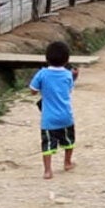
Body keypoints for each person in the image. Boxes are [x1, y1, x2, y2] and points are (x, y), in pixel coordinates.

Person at [29, 41, 79, 179]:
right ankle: (67, 162)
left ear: (47, 58)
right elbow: (68, 90)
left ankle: (47, 171)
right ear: (67, 59)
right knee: (69, 141)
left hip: (48, 118)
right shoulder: (68, 75)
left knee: (47, 144)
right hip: (66, 116)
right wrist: (75, 76)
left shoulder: (42, 73)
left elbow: (33, 90)